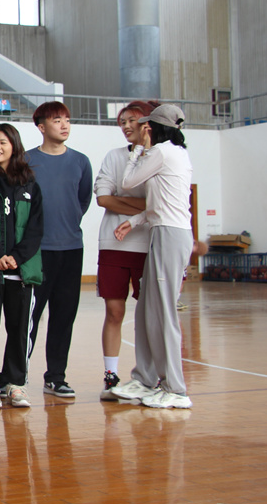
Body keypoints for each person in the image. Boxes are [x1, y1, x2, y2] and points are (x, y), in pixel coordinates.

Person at [110, 105, 194, 409]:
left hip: (170, 235)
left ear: (154, 128)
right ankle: (145, 379)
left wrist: (137, 151)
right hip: (164, 231)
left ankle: (175, 388)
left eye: (146, 125)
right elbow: (163, 202)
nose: (141, 129)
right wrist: (134, 221)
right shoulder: (174, 154)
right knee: (147, 309)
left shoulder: (162, 152)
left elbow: (128, 182)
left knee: (163, 313)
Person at [26, 101, 92, 398]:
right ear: (41, 127)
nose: (64, 125)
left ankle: (56, 377)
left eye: (67, 119)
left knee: (64, 317)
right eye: (56, 120)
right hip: (36, 251)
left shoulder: (81, 161)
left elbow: (82, 200)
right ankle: (16, 377)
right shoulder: (26, 161)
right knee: (28, 319)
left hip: (71, 249)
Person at [0, 124, 43, 409]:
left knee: (19, 331)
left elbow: (36, 228)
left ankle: (15, 384)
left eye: (3, 142)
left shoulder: (29, 183)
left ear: (14, 145)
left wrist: (17, 256)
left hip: (22, 272)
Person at [94, 101, 157, 399]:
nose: (127, 126)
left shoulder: (160, 156)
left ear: (148, 122)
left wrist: (124, 202)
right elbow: (103, 199)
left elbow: (160, 202)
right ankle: (111, 376)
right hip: (113, 244)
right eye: (122, 122)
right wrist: (145, 207)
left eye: (132, 120)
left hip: (149, 245)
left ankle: (150, 376)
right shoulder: (114, 156)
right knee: (114, 311)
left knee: (149, 315)